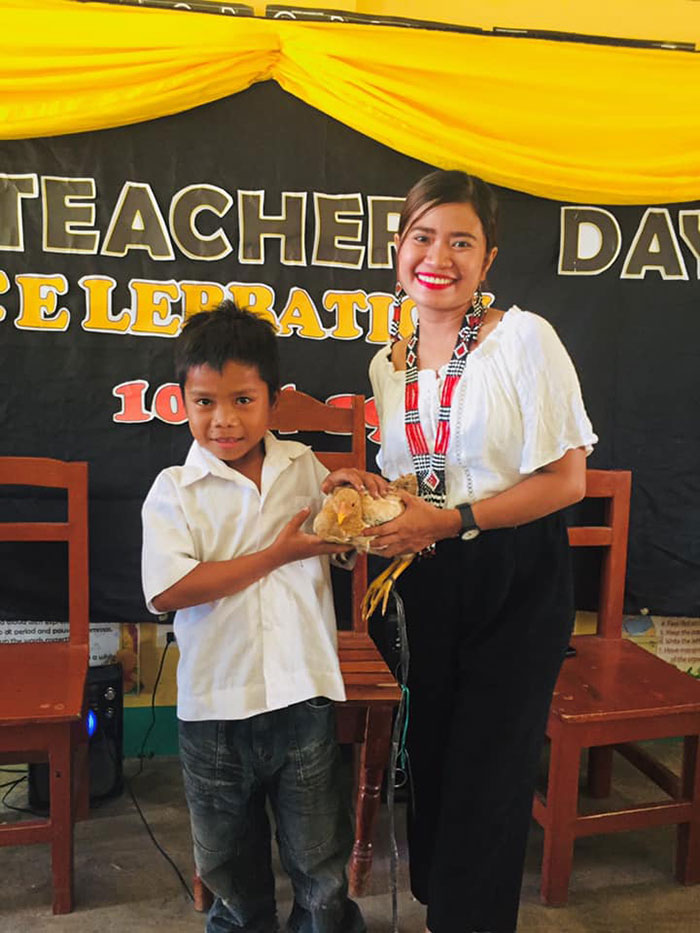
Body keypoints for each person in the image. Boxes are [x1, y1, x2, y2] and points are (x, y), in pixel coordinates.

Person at [343, 170, 597, 933]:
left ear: (487, 262)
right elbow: (414, 472)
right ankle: (444, 909)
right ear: (398, 251)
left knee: (490, 770)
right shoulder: (389, 362)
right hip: (428, 577)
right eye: (423, 238)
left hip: (515, 573)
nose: (439, 257)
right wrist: (370, 487)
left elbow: (568, 480)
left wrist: (450, 522)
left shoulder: (522, 338)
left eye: (461, 242)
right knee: (437, 755)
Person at [141, 301, 372, 933]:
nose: (224, 420)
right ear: (181, 402)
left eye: (243, 400)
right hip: (215, 710)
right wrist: (278, 555)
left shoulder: (305, 468)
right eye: (205, 402)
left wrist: (352, 498)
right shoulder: (173, 491)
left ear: (272, 399)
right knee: (232, 880)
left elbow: (344, 544)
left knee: (322, 870)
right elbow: (171, 590)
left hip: (303, 695)